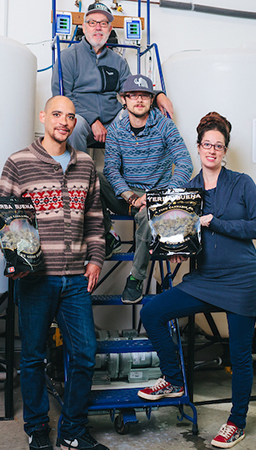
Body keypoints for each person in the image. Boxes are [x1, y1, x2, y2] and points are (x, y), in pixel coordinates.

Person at [136, 112, 256, 449]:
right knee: (153, 312)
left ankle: (236, 422)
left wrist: (216, 222)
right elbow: (181, 237)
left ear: (225, 151)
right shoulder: (187, 191)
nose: (212, 150)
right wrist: (178, 250)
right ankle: (174, 379)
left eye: (219, 146)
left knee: (239, 356)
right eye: (207, 144)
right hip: (205, 278)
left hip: (242, 280)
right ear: (198, 148)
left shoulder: (242, 184)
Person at [0, 96, 108, 450]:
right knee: (32, 356)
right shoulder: (18, 163)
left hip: (75, 277)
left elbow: (94, 218)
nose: (64, 121)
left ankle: (72, 429)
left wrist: (96, 258)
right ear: (43, 116)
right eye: (57, 114)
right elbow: (4, 220)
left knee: (86, 354)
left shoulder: (86, 164)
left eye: (70, 117)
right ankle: (37, 428)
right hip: (35, 278)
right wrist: (14, 260)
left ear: (75, 124)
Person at [102, 74, 192, 304]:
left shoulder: (164, 125)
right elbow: (112, 169)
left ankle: (136, 278)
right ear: (124, 99)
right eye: (134, 95)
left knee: (147, 215)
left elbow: (185, 163)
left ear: (152, 100)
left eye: (144, 95)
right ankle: (109, 235)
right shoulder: (115, 129)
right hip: (127, 195)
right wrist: (131, 197)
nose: (139, 100)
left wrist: (160, 197)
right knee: (90, 175)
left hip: (156, 195)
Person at [52, 2, 174, 155]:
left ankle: (137, 175)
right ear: (84, 28)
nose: (98, 27)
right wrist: (93, 120)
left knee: (142, 117)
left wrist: (158, 96)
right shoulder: (68, 57)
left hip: (113, 123)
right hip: (82, 121)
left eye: (103, 24)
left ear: (109, 29)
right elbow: (62, 97)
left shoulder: (118, 61)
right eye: (92, 23)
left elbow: (132, 91)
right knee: (73, 124)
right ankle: (78, 176)